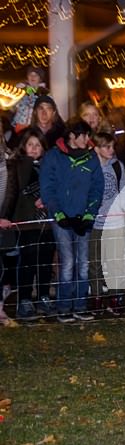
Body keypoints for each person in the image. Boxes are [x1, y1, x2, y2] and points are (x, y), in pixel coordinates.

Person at [40, 119, 104, 322]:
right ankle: (64, 307)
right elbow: (47, 188)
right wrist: (58, 214)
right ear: (71, 136)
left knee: (83, 263)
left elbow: (97, 188)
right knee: (67, 262)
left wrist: (89, 214)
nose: (87, 139)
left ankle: (81, 305)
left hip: (82, 217)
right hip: (62, 218)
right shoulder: (53, 156)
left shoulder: (91, 157)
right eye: (83, 135)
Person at [10, 129, 55, 319]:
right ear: (24, 146)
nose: (34, 148)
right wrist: (28, 161)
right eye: (30, 145)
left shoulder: (49, 165)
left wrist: (47, 197)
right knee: (27, 261)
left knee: (45, 261)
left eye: (38, 145)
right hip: (27, 220)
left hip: (46, 221)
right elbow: (19, 186)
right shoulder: (18, 165)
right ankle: (25, 299)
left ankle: (44, 296)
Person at [88, 132, 125, 314]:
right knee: (95, 262)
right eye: (106, 146)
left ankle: (114, 297)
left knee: (115, 262)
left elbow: (123, 190)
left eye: (112, 146)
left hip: (115, 222)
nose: (111, 150)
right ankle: (96, 297)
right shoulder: (90, 167)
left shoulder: (117, 166)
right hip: (95, 222)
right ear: (97, 148)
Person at [0, 122, 18, 324]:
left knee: (2, 264)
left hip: (2, 219)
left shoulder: (8, 158)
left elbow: (12, 189)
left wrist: (5, 216)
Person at [11, 66, 48, 133]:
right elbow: (12, 108)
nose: (32, 77)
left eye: (36, 75)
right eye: (30, 74)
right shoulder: (21, 90)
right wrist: (15, 93)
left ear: (40, 78)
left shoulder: (45, 93)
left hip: (36, 128)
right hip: (19, 126)